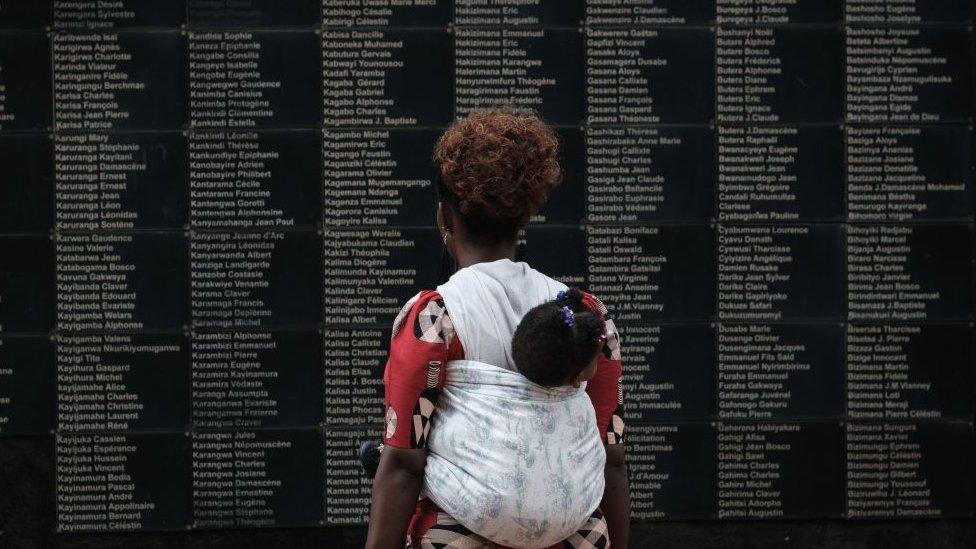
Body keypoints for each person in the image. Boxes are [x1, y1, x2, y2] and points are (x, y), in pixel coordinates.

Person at [365, 108, 629, 549]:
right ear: (523, 218)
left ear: (443, 219)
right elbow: (612, 460)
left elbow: (403, 464)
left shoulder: (436, 317)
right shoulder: (587, 315)